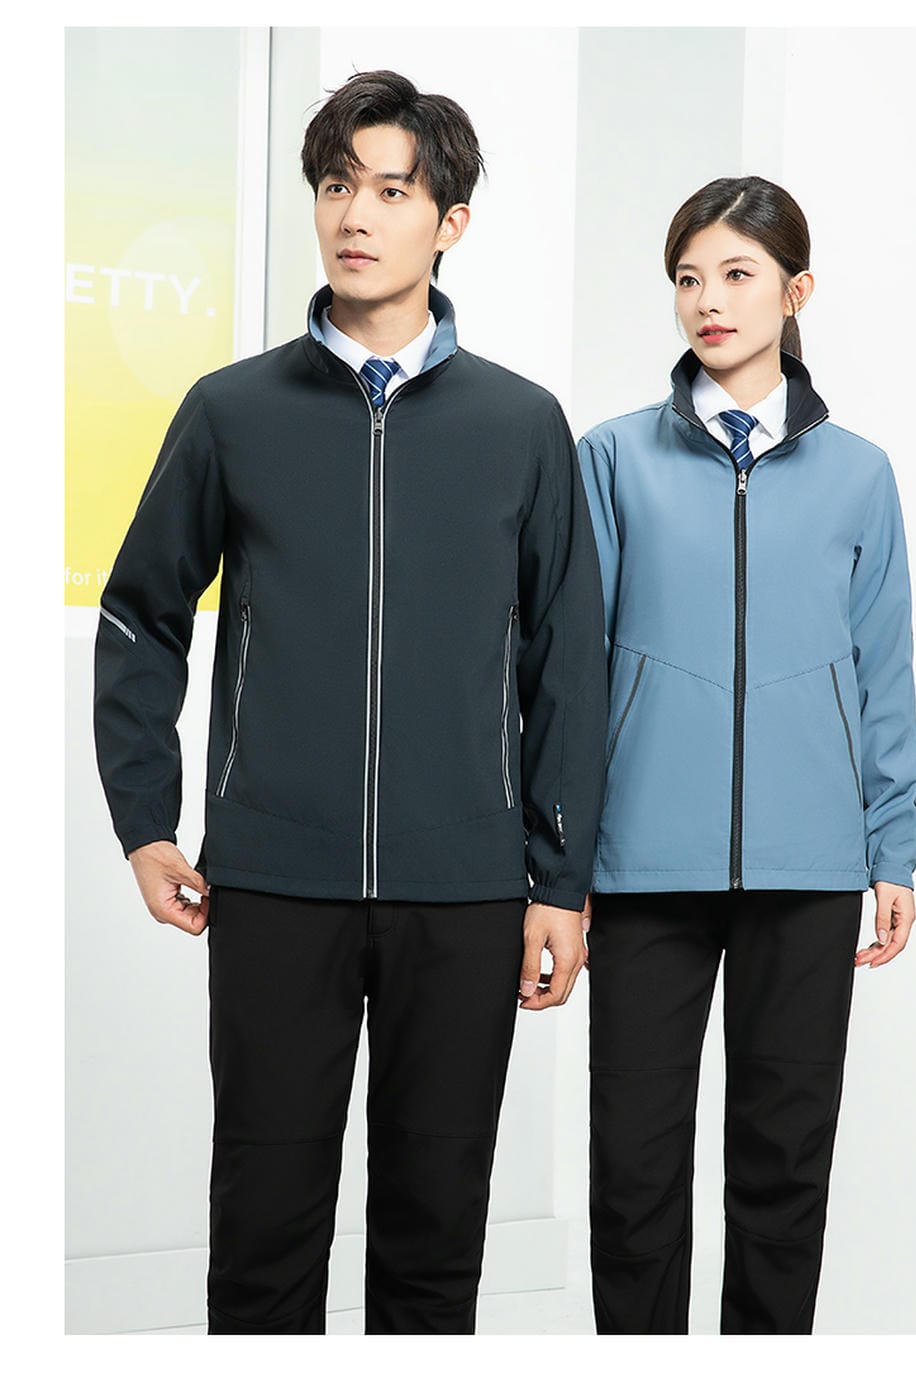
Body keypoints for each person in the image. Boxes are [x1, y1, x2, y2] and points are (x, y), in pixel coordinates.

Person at [93, 69, 607, 1336]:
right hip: (276, 879)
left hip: (465, 888)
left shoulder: (521, 424)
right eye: (336, 185)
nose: (355, 215)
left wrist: (560, 876)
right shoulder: (232, 411)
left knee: (434, 1245)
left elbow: (567, 659)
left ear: (450, 221)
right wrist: (147, 820)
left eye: (390, 189)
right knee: (262, 1239)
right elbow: (142, 610)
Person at [577, 175, 916, 1336]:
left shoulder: (860, 474)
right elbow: (571, 673)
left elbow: (882, 671)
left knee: (782, 1169)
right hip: (640, 868)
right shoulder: (611, 459)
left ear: (795, 290)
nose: (707, 302)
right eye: (688, 278)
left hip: (809, 868)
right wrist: (559, 859)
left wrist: (891, 847)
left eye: (736, 274)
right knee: (634, 1172)